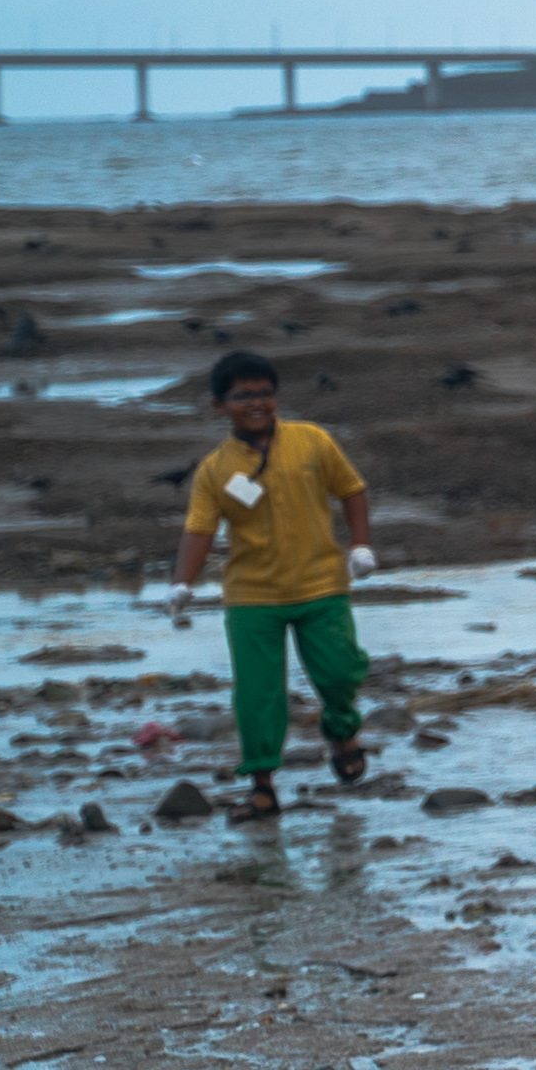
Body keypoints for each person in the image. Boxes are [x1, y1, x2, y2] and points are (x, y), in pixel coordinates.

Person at [172, 350, 379, 823]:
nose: (257, 403)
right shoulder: (214, 470)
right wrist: (181, 584)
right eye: (243, 396)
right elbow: (200, 529)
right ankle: (262, 786)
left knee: (342, 671)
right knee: (258, 694)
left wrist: (360, 546)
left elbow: (352, 489)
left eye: (264, 393)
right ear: (219, 406)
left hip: (322, 585)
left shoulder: (312, 442)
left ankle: (342, 730)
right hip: (253, 597)